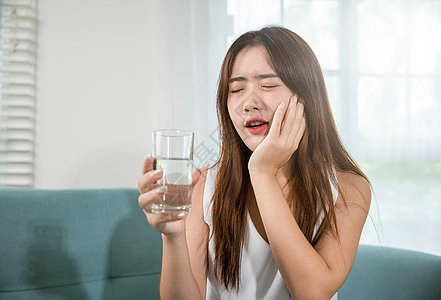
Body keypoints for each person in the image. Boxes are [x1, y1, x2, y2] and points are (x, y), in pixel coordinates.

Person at [137, 26, 371, 300]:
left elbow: (312, 293)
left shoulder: (348, 188)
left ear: (306, 98)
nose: (248, 103)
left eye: (268, 85)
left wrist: (262, 172)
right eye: (236, 88)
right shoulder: (203, 185)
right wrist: (173, 236)